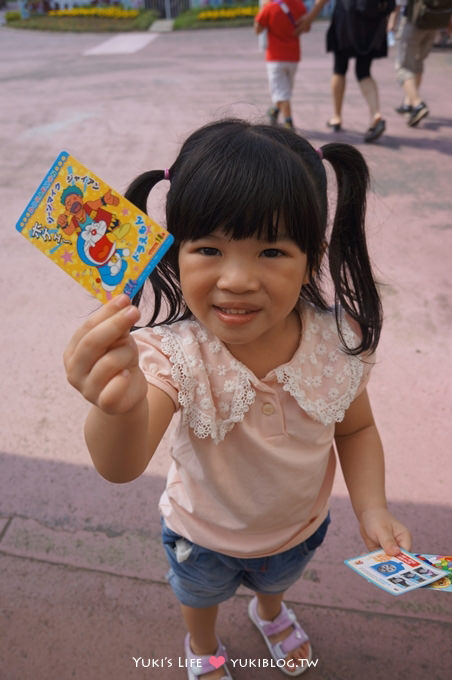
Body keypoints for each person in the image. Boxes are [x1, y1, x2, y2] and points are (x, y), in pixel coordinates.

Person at [64, 119, 412, 680]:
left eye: (271, 250)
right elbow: (120, 466)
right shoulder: (174, 354)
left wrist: (372, 507)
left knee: (276, 585)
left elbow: (355, 431)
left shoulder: (335, 342)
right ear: (173, 254)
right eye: (208, 248)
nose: (237, 279)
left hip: (299, 530)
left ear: (312, 255)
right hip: (201, 537)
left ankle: (269, 613)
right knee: (199, 599)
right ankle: (202, 644)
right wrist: (117, 406)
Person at [298, 0, 395, 142]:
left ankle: (337, 116)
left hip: (347, 17)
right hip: (372, 18)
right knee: (364, 71)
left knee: (339, 69)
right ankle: (376, 114)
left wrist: (311, 16)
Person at [255, 0, 307, 129]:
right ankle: (274, 111)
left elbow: (258, 29)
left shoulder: (270, 7)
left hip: (275, 57)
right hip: (293, 56)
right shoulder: (298, 4)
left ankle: (288, 122)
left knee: (282, 91)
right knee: (284, 90)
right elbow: (307, 26)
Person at [392, 1, 436, 126]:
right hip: (434, 23)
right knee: (417, 63)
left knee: (403, 68)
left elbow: (400, 2)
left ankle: (418, 104)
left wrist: (392, 20)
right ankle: (408, 103)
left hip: (414, 22)